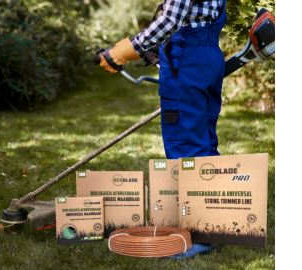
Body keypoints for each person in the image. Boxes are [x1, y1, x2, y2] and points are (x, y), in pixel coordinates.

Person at [95, 0, 227, 257]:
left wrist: (122, 51)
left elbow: (170, 21)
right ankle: (214, 224)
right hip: (208, 56)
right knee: (206, 141)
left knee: (186, 144)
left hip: (186, 60)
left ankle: (199, 235)